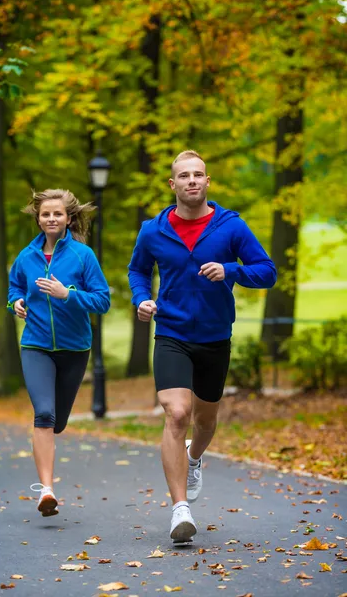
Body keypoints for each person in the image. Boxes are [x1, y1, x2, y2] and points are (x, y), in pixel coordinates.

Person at [128, 150, 276, 542]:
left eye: (198, 175)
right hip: (172, 333)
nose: (191, 181)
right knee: (177, 413)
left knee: (205, 421)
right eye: (184, 176)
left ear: (207, 182)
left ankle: (193, 458)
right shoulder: (153, 230)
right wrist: (141, 297)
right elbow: (138, 269)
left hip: (214, 337)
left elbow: (267, 272)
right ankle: (180, 511)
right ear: (172, 184)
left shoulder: (231, 227)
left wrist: (231, 270)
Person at [7, 188, 110, 517]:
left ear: (68, 218)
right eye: (45, 214)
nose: (51, 219)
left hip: (75, 348)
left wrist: (69, 294)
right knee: (45, 415)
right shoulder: (26, 257)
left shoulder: (83, 256)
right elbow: (14, 288)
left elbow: (102, 300)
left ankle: (50, 443)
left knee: (58, 421)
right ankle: (47, 490)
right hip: (35, 345)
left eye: (57, 214)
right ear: (38, 219)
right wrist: (16, 302)